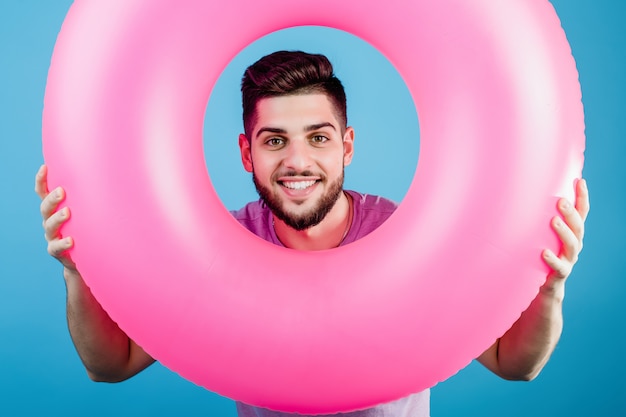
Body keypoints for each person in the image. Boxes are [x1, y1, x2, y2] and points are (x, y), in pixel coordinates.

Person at [35, 51, 590, 417]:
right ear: (246, 153)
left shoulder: (410, 238)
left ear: (346, 145)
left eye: (318, 138)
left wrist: (550, 286)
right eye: (274, 141)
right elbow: (111, 367)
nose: (298, 161)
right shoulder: (214, 252)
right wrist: (77, 272)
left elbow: (514, 365)